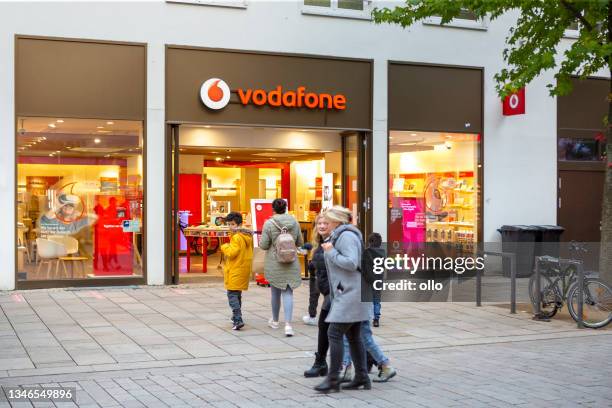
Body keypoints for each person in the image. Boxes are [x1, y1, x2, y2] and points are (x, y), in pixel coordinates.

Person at [314, 206, 371, 393]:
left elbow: (351, 262)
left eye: (328, 221)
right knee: (354, 336)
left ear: (337, 221)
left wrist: (330, 252)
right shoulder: (339, 235)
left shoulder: (346, 236)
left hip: (350, 292)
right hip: (348, 292)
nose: (324, 224)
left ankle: (333, 379)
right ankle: (362, 377)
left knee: (334, 333)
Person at [340, 233, 397, 383]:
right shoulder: (358, 257)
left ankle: (382, 365)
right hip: (360, 300)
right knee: (355, 336)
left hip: (360, 301)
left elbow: (364, 278)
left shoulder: (359, 258)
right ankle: (348, 367)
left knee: (360, 336)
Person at [260, 198, 303, 337]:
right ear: (286, 208)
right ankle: (288, 325)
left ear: (273, 209)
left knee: (275, 292)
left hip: (274, 262)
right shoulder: (294, 222)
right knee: (288, 292)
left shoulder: (269, 223)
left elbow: (264, 245)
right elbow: (299, 242)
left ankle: (276, 321)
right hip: (291, 261)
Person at [304, 214, 331, 377]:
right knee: (355, 332)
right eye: (319, 223)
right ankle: (374, 361)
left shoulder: (334, 242)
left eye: (325, 223)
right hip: (329, 291)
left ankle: (321, 363)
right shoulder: (320, 244)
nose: (321, 226)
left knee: (329, 328)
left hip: (337, 292)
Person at [220, 212, 254, 331]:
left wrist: (224, 246)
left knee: (232, 294)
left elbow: (231, 252)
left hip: (236, 268)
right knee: (237, 293)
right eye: (229, 224)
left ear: (239, 224)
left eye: (233, 224)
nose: (230, 226)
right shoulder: (247, 236)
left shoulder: (236, 237)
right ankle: (236, 316)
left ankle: (238, 319)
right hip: (243, 268)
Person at [303, 238, 321, 326]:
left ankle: (312, 316)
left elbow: (313, 264)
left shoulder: (317, 247)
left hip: (317, 275)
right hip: (321, 274)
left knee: (313, 295)